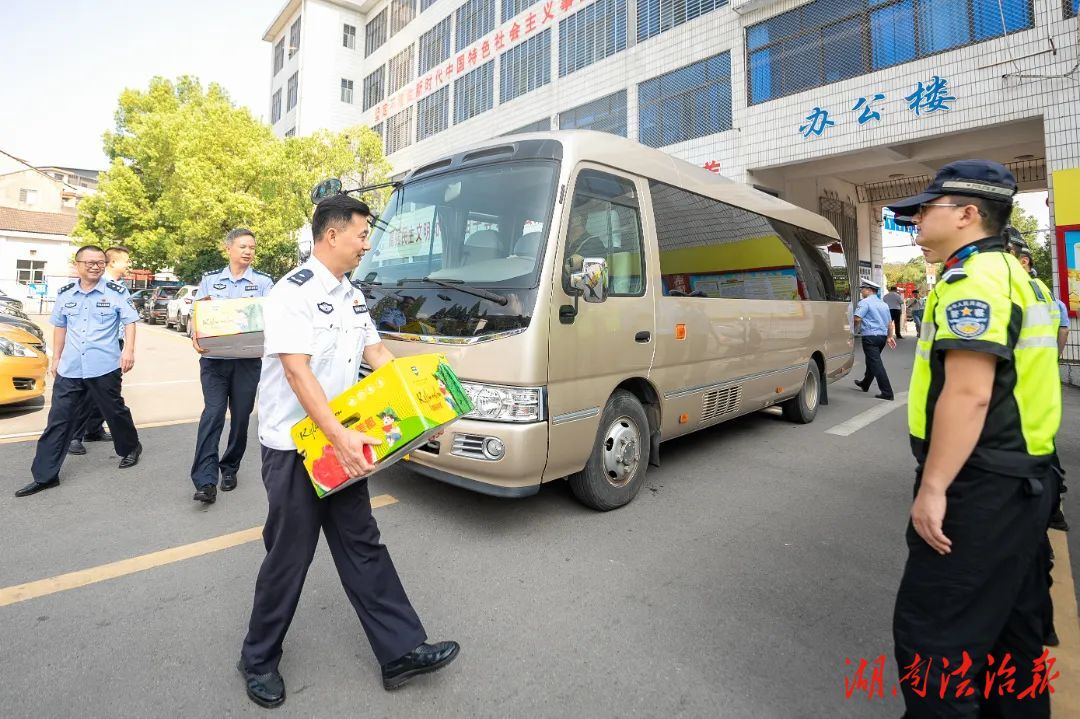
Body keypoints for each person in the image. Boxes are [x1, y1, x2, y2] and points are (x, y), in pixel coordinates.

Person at [238, 193, 458, 708]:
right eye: (362, 234)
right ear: (331, 235)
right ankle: (257, 658)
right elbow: (297, 371)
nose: (366, 244)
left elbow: (377, 353)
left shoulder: (351, 295)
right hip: (298, 447)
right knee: (289, 557)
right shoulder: (291, 294)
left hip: (344, 440)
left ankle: (401, 650)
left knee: (363, 543)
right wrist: (340, 437)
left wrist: (427, 398)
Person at [887, 160, 1061, 718]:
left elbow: (969, 395)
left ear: (967, 214)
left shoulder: (976, 280)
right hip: (1024, 482)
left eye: (926, 208)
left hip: (979, 487)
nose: (915, 219)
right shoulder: (1019, 275)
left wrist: (934, 486)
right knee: (1015, 636)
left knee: (937, 640)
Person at [15, 245, 143, 498]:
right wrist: (57, 359)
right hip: (71, 367)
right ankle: (45, 475)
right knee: (58, 419)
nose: (95, 266)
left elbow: (130, 321)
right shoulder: (65, 294)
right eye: (89, 262)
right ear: (78, 265)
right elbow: (60, 327)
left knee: (114, 410)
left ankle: (130, 448)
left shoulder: (116, 292)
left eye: (100, 262)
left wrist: (128, 351)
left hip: (104, 364)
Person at [189, 228, 274, 505]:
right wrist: (195, 336)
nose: (248, 251)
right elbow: (198, 314)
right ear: (229, 249)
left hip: (247, 363)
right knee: (212, 415)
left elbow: (272, 317)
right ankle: (205, 479)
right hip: (214, 361)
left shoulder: (263, 283)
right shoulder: (210, 280)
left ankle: (230, 468)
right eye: (243, 246)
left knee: (240, 419)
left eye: (252, 247)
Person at [68, 245, 132, 455]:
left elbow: (129, 320)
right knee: (88, 392)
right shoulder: (95, 285)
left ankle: (93, 429)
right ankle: (75, 436)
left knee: (107, 392)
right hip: (94, 348)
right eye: (125, 261)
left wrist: (127, 349)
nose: (129, 264)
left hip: (114, 345)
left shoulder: (120, 288)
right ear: (112, 263)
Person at [853, 279, 897, 400]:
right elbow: (889, 323)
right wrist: (889, 337)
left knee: (876, 363)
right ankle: (865, 383)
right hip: (882, 338)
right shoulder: (883, 304)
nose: (861, 291)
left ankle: (887, 392)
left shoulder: (864, 302)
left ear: (869, 290)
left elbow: (857, 319)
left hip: (870, 337)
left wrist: (851, 330)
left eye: (862, 289)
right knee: (872, 361)